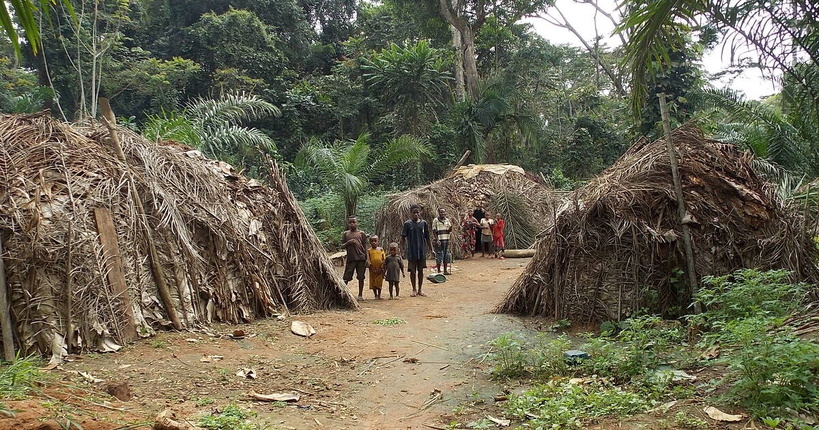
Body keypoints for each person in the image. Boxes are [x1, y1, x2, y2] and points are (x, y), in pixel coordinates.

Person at [400, 204, 430, 297]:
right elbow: (403, 237)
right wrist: (401, 249)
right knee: (412, 271)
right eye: (414, 213)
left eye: (417, 212)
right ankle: (414, 289)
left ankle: (420, 289)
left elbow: (427, 237)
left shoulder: (423, 223)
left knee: (420, 270)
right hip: (412, 251)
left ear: (420, 212)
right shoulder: (407, 224)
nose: (416, 214)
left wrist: (431, 249)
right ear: (410, 213)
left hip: (421, 250)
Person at [341, 216, 369, 300]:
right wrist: (348, 243)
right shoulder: (346, 234)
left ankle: (360, 295)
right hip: (351, 258)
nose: (352, 224)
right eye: (350, 222)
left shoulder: (361, 233)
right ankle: (343, 293)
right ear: (348, 224)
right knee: (346, 277)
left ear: (357, 223)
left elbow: (365, 246)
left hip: (361, 258)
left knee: (361, 277)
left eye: (354, 222)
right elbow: (342, 246)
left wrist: (367, 259)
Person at [431, 208, 453, 275]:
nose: (442, 213)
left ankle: (445, 270)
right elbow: (434, 230)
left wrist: (452, 226)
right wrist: (437, 239)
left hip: (446, 240)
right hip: (439, 240)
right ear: (439, 213)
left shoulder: (447, 220)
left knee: (446, 255)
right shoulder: (436, 220)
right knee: (439, 255)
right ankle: (438, 270)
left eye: (443, 212)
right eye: (441, 212)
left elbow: (449, 230)